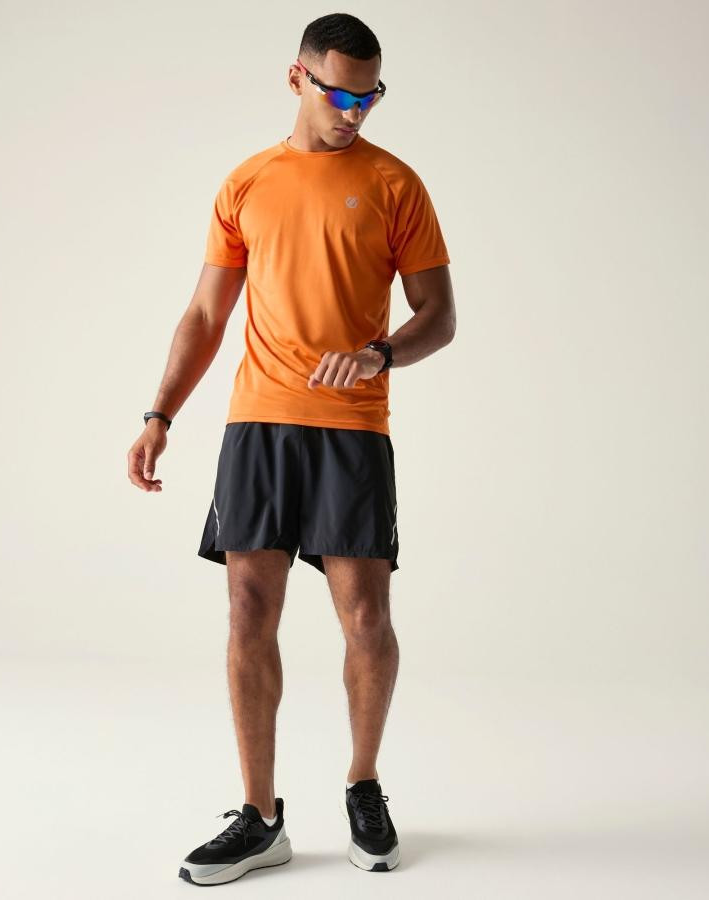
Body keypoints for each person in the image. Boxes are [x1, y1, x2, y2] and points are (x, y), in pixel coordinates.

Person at [127, 13, 455, 886]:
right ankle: (260, 816)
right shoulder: (248, 182)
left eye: (370, 96)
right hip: (259, 422)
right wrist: (160, 414)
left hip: (353, 425)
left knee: (366, 618)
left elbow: (439, 316)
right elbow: (206, 314)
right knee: (247, 612)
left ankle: (363, 786)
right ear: (297, 78)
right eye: (340, 94)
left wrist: (381, 353)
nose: (356, 111)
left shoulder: (394, 184)